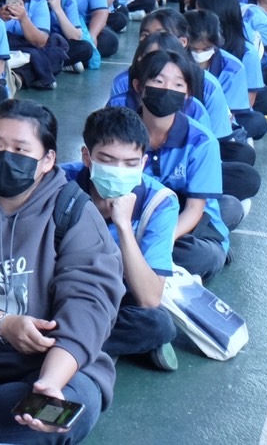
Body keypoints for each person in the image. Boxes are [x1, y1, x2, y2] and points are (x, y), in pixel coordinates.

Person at [0, 100, 123, 445]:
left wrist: (50, 382)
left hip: (45, 365)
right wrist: (2, 324)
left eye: (20, 149)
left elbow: (88, 303)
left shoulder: (73, 211)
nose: (5, 156)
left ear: (47, 160)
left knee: (76, 403)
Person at [60, 107, 181, 371]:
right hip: (60, 288)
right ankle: (89, 347)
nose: (118, 171)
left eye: (130, 164)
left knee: (157, 323)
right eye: (108, 160)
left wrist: (123, 226)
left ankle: (64, 348)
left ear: (143, 164)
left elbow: (149, 298)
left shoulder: (159, 202)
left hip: (117, 295)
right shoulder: (59, 183)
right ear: (86, 157)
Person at [121, 48, 232, 279]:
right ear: (138, 86)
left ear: (187, 94)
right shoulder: (122, 131)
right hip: (134, 219)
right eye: (158, 81)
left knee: (204, 256)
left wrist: (160, 243)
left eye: (178, 85)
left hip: (184, 230)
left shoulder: (201, 141)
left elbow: (194, 210)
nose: (167, 90)